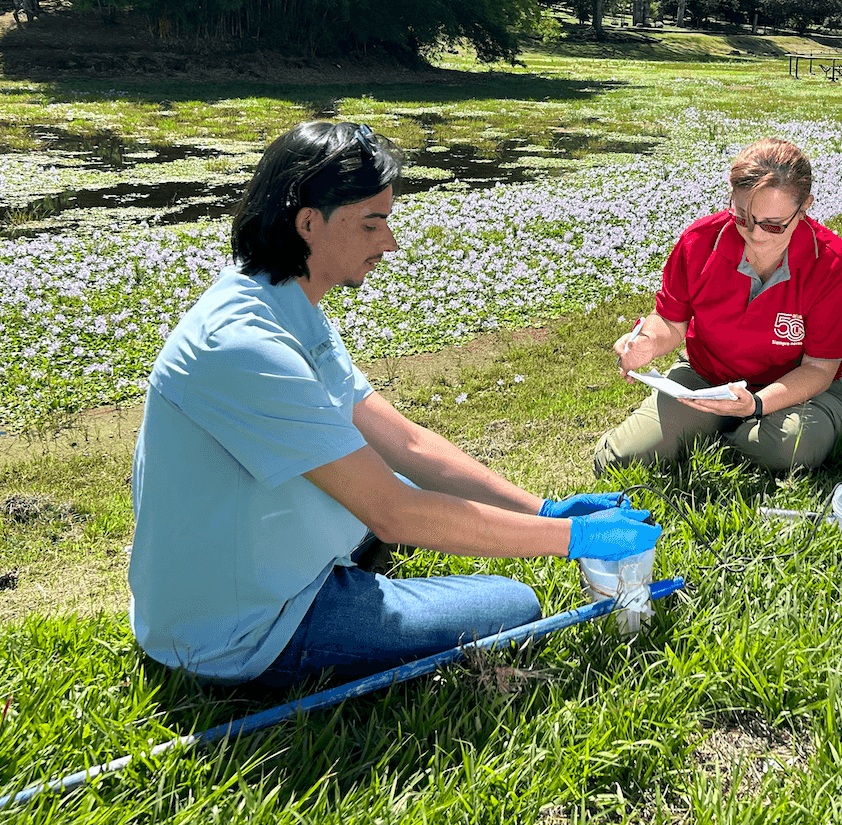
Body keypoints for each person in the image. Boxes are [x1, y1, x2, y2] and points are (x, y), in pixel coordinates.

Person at [128, 121, 659, 687]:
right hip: (239, 630)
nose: (389, 242)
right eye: (371, 223)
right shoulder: (244, 346)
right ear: (308, 222)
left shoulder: (283, 299)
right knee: (512, 604)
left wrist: (543, 510)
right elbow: (395, 516)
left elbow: (404, 442)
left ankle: (365, 587)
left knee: (404, 489)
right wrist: (575, 541)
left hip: (264, 559)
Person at [593, 137, 842, 475]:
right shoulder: (700, 241)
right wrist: (644, 344)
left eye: (773, 224)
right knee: (621, 460)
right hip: (707, 379)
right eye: (743, 218)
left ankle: (729, 432)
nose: (755, 235)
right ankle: (720, 429)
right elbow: (670, 323)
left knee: (788, 448)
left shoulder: (831, 261)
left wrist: (756, 404)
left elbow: (820, 368)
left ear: (805, 207)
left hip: (798, 390)